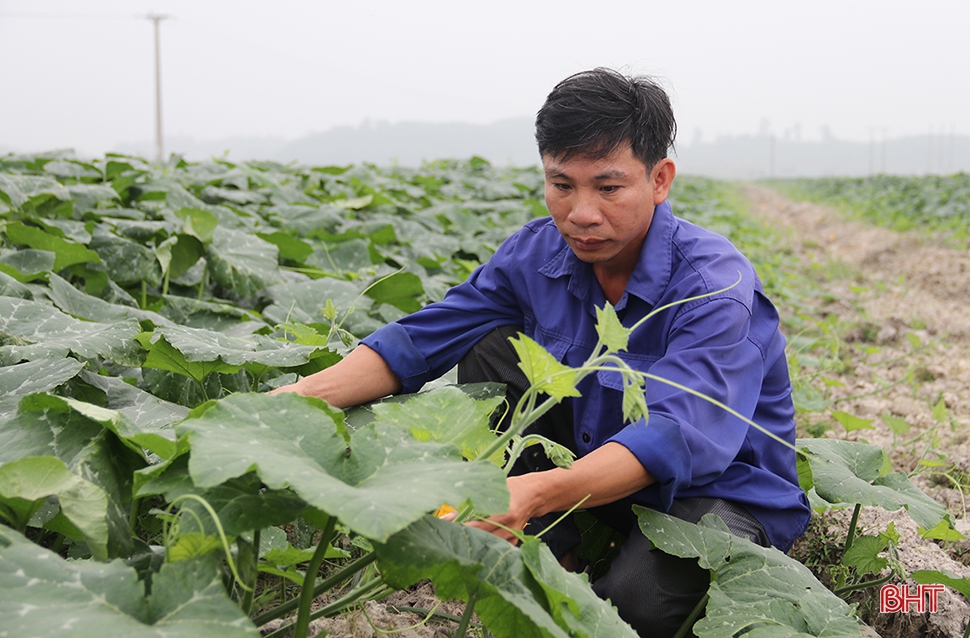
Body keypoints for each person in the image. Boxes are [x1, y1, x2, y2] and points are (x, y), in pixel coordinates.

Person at [272, 67, 811, 637]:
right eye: (561, 185)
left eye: (608, 188)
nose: (581, 212)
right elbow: (420, 340)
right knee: (490, 344)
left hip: (718, 491)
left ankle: (564, 536)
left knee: (633, 610)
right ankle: (559, 554)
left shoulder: (714, 283)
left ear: (659, 179)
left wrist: (530, 494)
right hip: (591, 474)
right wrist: (295, 400)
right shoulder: (535, 255)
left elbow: (676, 436)